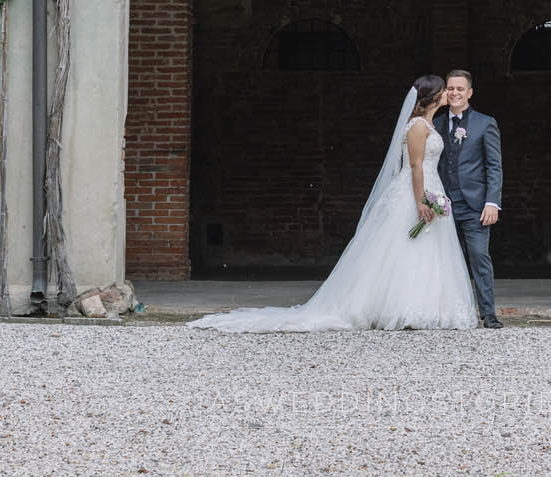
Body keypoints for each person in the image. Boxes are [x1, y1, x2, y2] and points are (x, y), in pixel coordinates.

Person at [187, 73, 478, 332]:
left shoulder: (429, 124)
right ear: (433, 96)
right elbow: (415, 166)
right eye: (444, 89)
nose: (448, 93)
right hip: (415, 191)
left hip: (430, 187)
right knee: (404, 248)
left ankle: (428, 307)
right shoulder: (417, 127)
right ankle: (399, 308)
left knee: (425, 249)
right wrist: (421, 201)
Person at [437, 69, 504, 328]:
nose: (454, 93)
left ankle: (488, 313)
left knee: (478, 256)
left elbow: (494, 166)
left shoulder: (485, 123)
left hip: (475, 206)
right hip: (442, 205)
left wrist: (492, 202)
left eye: (460, 89)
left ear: (470, 93)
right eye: (450, 88)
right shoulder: (436, 124)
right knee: (444, 260)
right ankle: (446, 312)